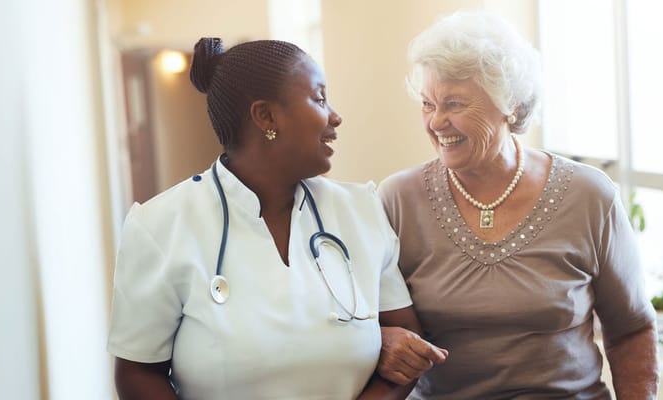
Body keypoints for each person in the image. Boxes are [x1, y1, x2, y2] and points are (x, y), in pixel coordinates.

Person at [107, 37, 446, 400]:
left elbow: (407, 347)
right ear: (266, 116)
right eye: (319, 98)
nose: (335, 116)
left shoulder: (359, 210)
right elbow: (137, 373)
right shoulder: (161, 226)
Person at [376, 12, 659, 399]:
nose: (437, 122)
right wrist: (383, 338)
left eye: (455, 104)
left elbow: (632, 328)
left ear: (509, 103)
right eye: (427, 104)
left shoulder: (589, 195)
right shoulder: (397, 200)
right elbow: (365, 324)